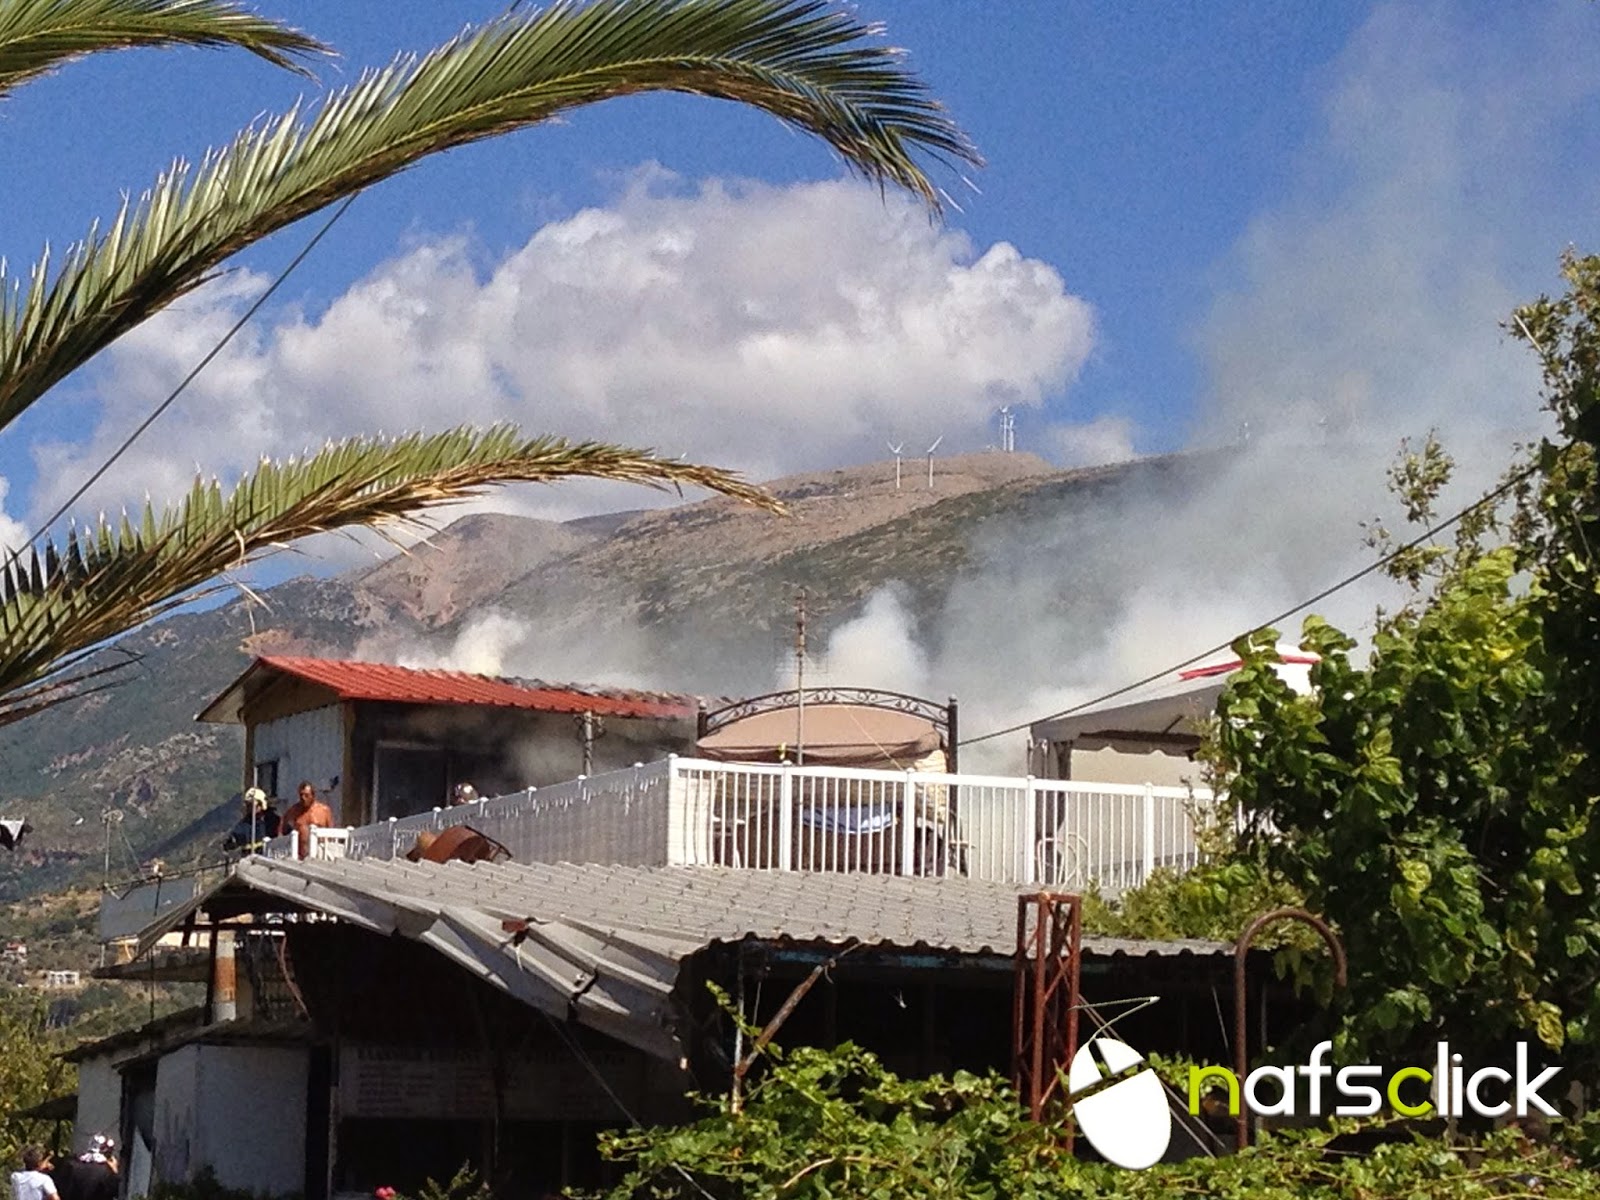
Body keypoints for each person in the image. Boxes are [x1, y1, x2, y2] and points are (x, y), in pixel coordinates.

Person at [281, 780, 333, 860]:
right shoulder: (294, 810)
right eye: (301, 795)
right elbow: (281, 829)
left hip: (320, 855)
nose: (303, 798)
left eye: (306, 795)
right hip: (300, 856)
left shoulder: (324, 810)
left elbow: (331, 833)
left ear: (313, 795)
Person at [223, 788, 280, 853]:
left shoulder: (273, 821)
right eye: (248, 805)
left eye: (252, 805)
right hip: (250, 859)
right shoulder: (246, 823)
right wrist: (231, 841)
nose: (249, 808)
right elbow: (238, 834)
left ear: (261, 804)